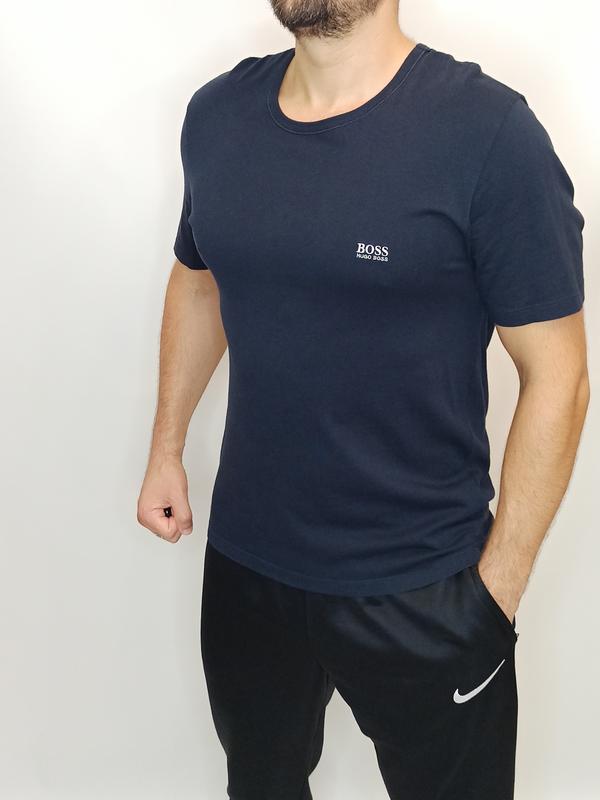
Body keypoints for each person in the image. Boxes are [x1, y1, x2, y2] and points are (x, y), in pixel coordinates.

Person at [137, 1, 590, 797]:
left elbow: (560, 374)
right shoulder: (217, 117)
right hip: (248, 570)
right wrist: (166, 448)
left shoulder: (488, 134)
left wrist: (495, 597)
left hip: (424, 582)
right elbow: (199, 278)